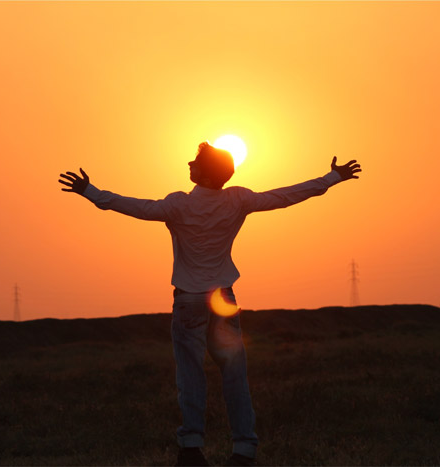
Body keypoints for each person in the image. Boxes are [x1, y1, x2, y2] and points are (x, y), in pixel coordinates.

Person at [59, 142, 361, 466]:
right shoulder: (237, 200)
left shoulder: (178, 205)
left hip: (188, 302)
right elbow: (285, 196)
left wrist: (90, 191)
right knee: (235, 377)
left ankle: (191, 449)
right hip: (224, 302)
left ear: (205, 171)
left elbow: (132, 206)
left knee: (190, 377)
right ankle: (244, 451)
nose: (190, 162)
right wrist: (331, 178)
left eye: (196, 160)